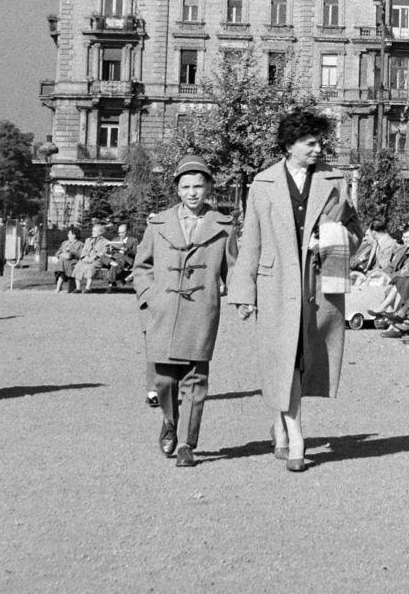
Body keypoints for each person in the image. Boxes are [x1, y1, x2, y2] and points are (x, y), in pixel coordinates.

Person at [228, 110, 361, 473]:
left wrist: (331, 240)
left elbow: (356, 234)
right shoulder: (263, 183)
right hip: (275, 285)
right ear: (289, 146)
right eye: (310, 143)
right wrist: (243, 292)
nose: (319, 149)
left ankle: (281, 425)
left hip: (319, 284)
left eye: (321, 142)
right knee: (282, 357)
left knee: (303, 358)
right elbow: (250, 240)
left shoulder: (335, 181)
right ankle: (297, 436)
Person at [133, 157, 236, 468]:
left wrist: (244, 298)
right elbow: (141, 266)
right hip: (163, 310)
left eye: (198, 186)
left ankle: (187, 444)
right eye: (186, 186)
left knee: (196, 379)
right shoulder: (158, 223)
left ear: (208, 188)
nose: (192, 193)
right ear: (177, 189)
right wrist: (150, 295)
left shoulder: (223, 225)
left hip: (201, 311)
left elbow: (233, 269)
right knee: (164, 380)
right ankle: (169, 420)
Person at [72, 223, 113, 292]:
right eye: (92, 231)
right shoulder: (88, 240)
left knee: (91, 267)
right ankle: (78, 288)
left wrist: (93, 257)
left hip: (97, 260)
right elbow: (84, 251)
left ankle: (88, 288)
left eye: (94, 231)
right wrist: (85, 257)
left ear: (100, 232)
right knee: (78, 265)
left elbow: (103, 253)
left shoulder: (105, 242)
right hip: (86, 258)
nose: (92, 232)